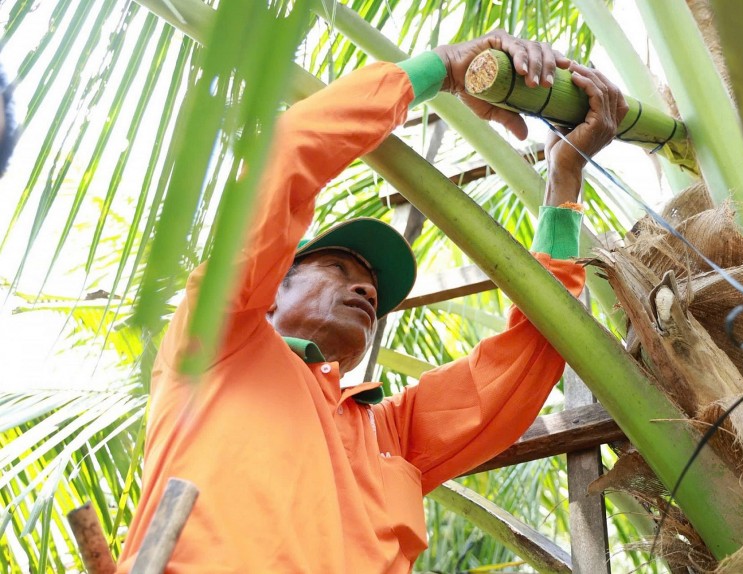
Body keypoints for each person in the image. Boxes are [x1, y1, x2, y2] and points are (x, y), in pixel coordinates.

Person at [116, 29, 627, 573]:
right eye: (337, 268)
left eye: (374, 290)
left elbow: (531, 355)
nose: (365, 289)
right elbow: (290, 155)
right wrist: (444, 69)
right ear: (269, 292)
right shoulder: (216, 344)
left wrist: (564, 180)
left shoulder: (388, 436)